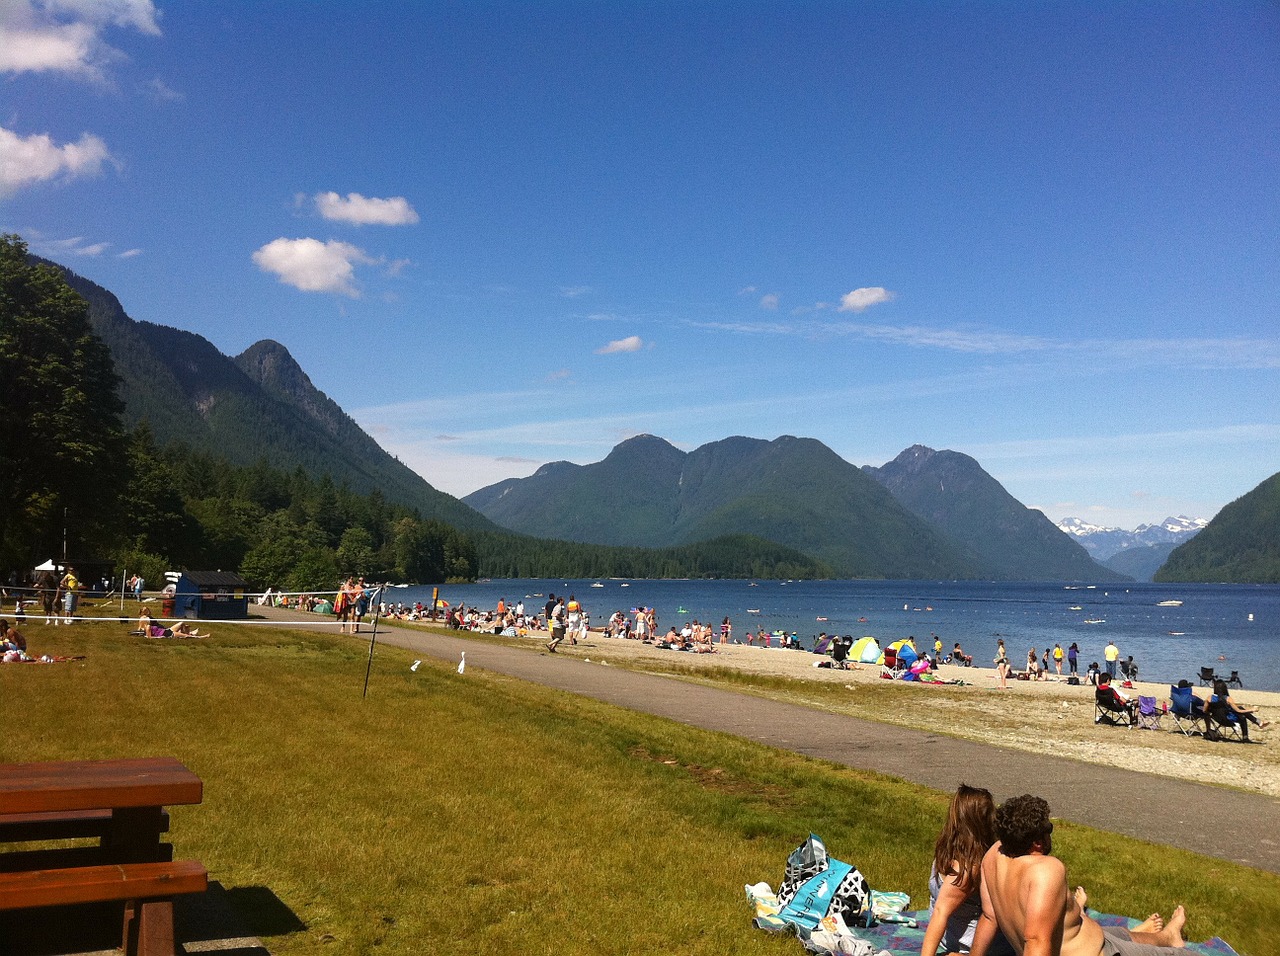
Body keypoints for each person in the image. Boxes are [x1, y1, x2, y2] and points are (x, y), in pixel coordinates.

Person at [972, 794, 1188, 956]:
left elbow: (990, 916)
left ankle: (1168, 936)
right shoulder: (1046, 870)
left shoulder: (993, 855)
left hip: (1088, 936)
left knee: (1121, 935)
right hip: (1098, 953)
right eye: (1049, 828)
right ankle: (1169, 943)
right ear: (1037, 842)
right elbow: (1036, 942)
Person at [921, 784, 1014, 956]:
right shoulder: (950, 851)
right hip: (952, 942)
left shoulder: (968, 869)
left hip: (974, 949)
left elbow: (941, 911)